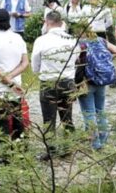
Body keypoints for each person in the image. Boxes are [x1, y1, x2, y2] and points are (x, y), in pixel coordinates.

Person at [32, 11, 80, 159]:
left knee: (49, 119)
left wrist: (41, 71)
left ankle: (50, 151)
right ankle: (68, 148)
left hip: (48, 82)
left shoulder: (41, 40)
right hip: (68, 82)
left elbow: (35, 64)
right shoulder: (72, 39)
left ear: (47, 23)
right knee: (67, 117)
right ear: (61, 23)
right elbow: (76, 58)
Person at [0, 9, 29, 164]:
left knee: (1, 122)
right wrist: (13, 79)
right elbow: (25, 63)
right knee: (17, 120)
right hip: (16, 88)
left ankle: (5, 156)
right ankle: (20, 151)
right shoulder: (18, 38)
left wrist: (7, 79)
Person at [74, 34, 116, 150]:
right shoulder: (100, 40)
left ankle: (95, 144)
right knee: (100, 111)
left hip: (86, 82)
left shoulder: (79, 43)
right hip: (101, 79)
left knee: (89, 113)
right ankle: (103, 139)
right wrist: (105, 61)